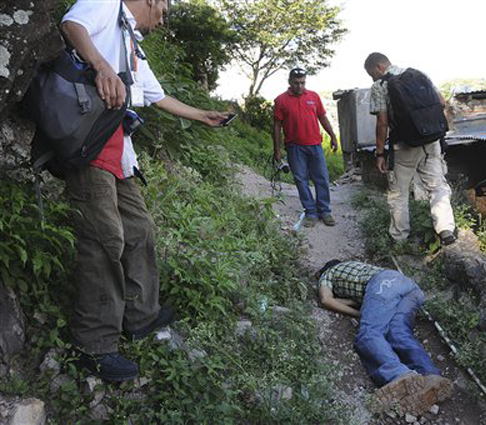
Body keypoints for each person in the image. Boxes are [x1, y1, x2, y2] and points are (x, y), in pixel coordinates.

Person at [59, 0, 231, 381]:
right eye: (165, 8)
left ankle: (140, 316)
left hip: (119, 150)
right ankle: (95, 345)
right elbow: (72, 24)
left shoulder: (131, 42)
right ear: (151, 0)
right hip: (89, 145)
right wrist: (101, 67)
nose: (164, 18)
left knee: (139, 229)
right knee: (105, 238)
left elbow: (157, 95)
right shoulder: (105, 4)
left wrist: (204, 116)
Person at [316, 260, 453, 412]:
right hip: (408, 286)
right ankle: (430, 375)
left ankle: (399, 374)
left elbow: (326, 299)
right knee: (398, 333)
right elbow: (363, 299)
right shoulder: (356, 268)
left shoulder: (328, 274)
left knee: (369, 333)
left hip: (382, 285)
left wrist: (359, 315)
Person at [364, 52, 457, 246]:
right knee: (437, 186)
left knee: (399, 192)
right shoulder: (419, 74)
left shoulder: (380, 86)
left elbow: (382, 123)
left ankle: (399, 239)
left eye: (371, 73)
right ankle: (446, 230)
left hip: (404, 146)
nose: (372, 78)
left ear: (378, 67)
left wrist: (380, 154)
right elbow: (441, 102)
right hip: (431, 140)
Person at [273, 68, 339, 228]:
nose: (299, 86)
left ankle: (325, 211)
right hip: (294, 147)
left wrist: (333, 136)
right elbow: (276, 125)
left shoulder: (314, 97)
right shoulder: (281, 100)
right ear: (289, 82)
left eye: (302, 83)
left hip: (315, 145)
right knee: (301, 180)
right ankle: (310, 212)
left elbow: (322, 117)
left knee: (322, 178)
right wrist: (277, 149)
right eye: (296, 83)